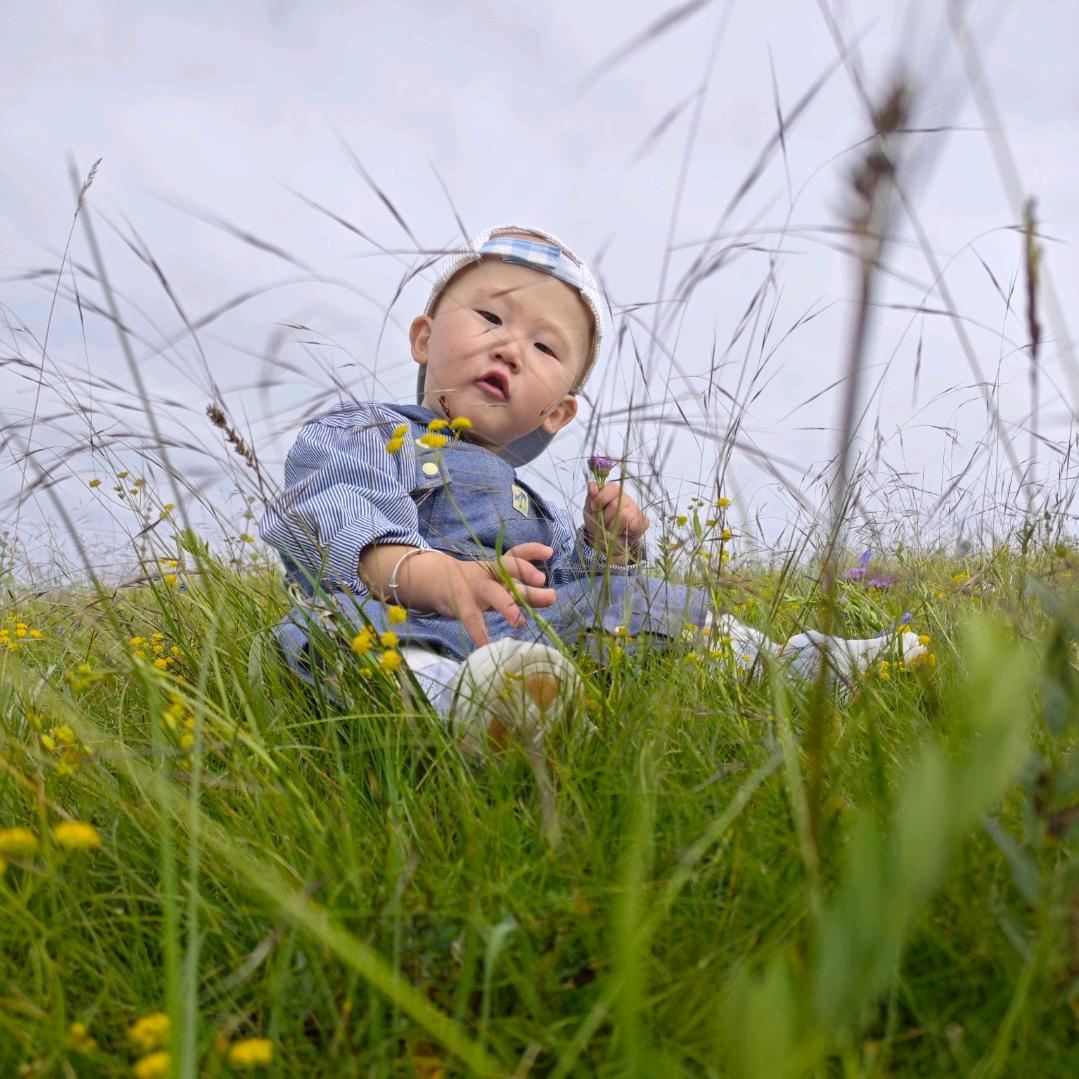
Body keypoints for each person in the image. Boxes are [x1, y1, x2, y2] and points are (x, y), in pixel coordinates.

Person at [260, 224, 923, 751]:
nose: (512, 349)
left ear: (556, 414)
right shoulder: (369, 430)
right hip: (411, 622)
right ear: (424, 337)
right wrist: (427, 574)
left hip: (529, 634)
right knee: (318, 633)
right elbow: (332, 506)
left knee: (637, 600)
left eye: (546, 349)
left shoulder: (526, 500)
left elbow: (569, 582)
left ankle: (788, 666)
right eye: (491, 317)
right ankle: (449, 703)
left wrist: (606, 552)